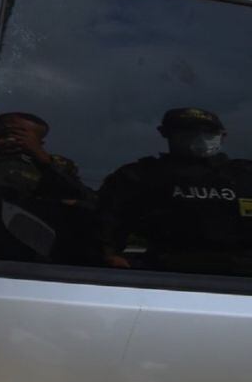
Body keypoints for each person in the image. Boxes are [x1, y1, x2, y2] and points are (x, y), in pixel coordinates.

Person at [98, 108, 252, 275]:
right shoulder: (140, 176)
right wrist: (110, 259)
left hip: (242, 279)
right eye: (187, 131)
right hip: (163, 278)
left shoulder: (244, 175)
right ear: (165, 133)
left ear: (223, 135)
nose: (198, 136)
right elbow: (105, 225)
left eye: (208, 132)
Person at [0, 112, 96, 263]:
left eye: (20, 134)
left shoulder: (52, 166)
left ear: (39, 141)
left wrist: (41, 157)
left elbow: (84, 199)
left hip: (27, 254)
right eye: (3, 131)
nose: (11, 138)